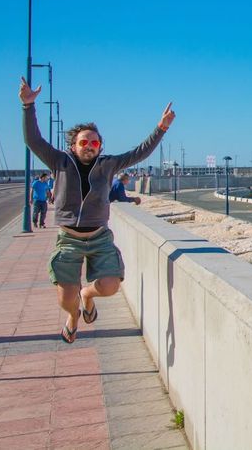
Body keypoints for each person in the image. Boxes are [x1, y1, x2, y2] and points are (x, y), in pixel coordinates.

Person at [20, 77, 174, 344]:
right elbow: (33, 140)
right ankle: (73, 316)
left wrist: (161, 128)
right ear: (74, 145)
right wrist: (28, 106)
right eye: (84, 143)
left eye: (93, 143)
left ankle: (87, 295)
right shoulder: (59, 161)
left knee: (111, 285)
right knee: (65, 298)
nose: (89, 146)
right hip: (68, 239)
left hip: (99, 237)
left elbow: (140, 152)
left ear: (100, 146)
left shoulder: (109, 164)